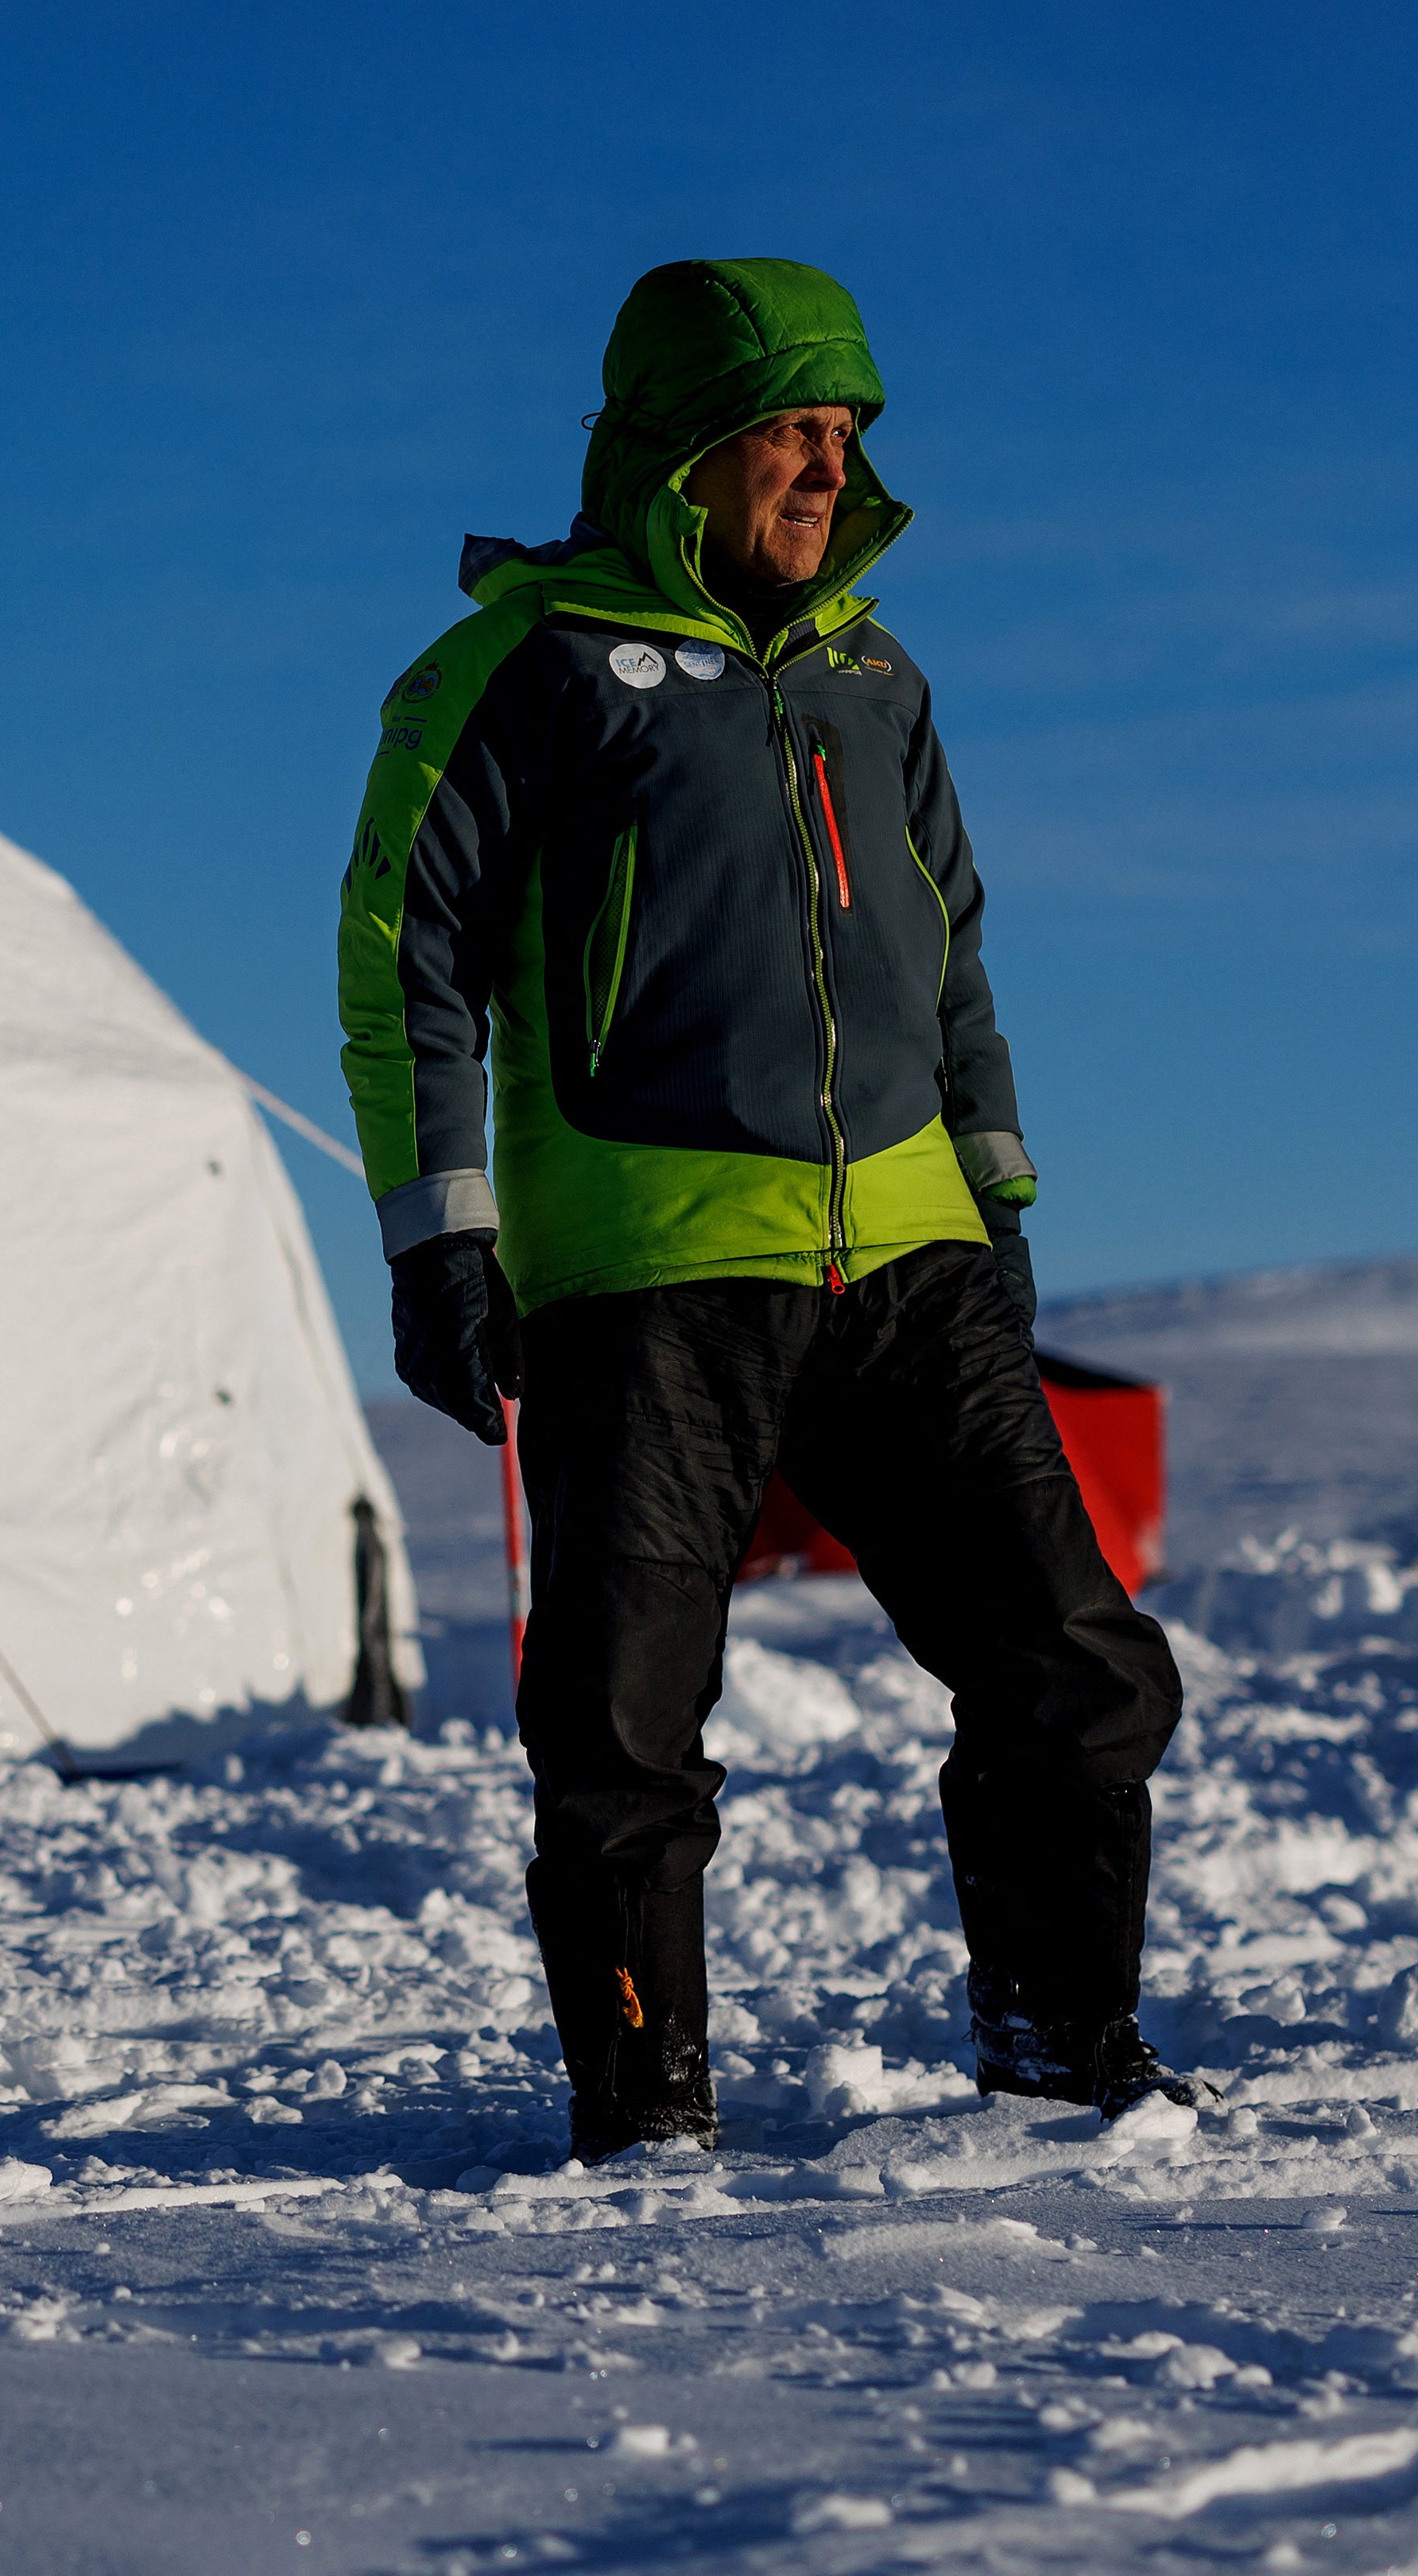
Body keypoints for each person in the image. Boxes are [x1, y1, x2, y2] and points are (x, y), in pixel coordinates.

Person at [332, 257, 1192, 2161]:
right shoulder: (523, 669)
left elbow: (951, 949)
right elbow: (409, 956)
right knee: (624, 1722)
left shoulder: (877, 676)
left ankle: (1065, 2050)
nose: (828, 461)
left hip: (906, 1260)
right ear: (680, 449)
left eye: (847, 430)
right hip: (648, 1265)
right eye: (791, 428)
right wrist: (439, 1231)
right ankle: (644, 2111)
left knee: (1072, 1662)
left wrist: (995, 1191)